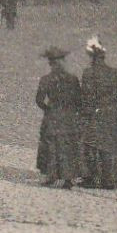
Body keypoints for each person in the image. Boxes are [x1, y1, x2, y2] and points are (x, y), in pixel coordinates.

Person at [78, 36, 117, 188]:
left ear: (92, 58)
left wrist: (84, 114)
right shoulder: (116, 73)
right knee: (110, 145)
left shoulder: (88, 73)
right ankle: (110, 178)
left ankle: (90, 177)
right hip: (114, 114)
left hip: (97, 113)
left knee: (88, 142)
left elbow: (87, 97)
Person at [35, 47, 83, 189]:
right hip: (68, 116)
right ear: (62, 61)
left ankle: (51, 175)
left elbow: (39, 100)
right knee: (68, 145)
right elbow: (78, 99)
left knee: (50, 145)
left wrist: (48, 110)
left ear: (50, 63)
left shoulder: (46, 79)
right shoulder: (72, 79)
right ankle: (69, 178)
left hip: (53, 116)